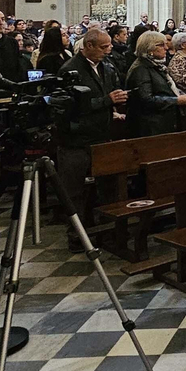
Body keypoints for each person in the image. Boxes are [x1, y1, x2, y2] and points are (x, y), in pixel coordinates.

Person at [57, 28, 128, 250]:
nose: (109, 51)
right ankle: (76, 236)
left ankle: (107, 232)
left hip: (101, 135)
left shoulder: (106, 66)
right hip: (76, 139)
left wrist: (116, 102)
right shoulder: (70, 70)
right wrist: (107, 101)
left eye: (109, 46)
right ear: (88, 46)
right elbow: (72, 107)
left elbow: (110, 91)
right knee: (74, 190)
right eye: (104, 47)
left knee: (107, 186)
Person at [123, 31, 186, 137]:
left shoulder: (156, 65)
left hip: (162, 123)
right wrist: (176, 100)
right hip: (150, 127)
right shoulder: (141, 69)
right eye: (161, 45)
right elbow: (146, 100)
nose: (166, 48)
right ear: (149, 48)